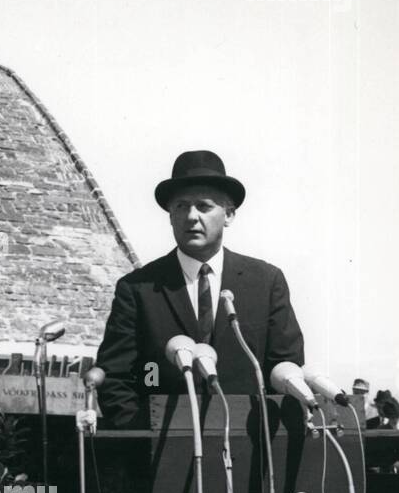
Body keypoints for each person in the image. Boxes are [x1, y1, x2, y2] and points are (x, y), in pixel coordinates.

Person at [95, 150, 305, 428]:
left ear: (229, 214)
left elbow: (285, 367)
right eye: (181, 207)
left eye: (203, 206)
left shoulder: (265, 283)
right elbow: (120, 375)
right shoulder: (139, 288)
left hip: (250, 450)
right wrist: (142, 433)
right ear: (170, 216)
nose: (191, 217)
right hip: (161, 453)